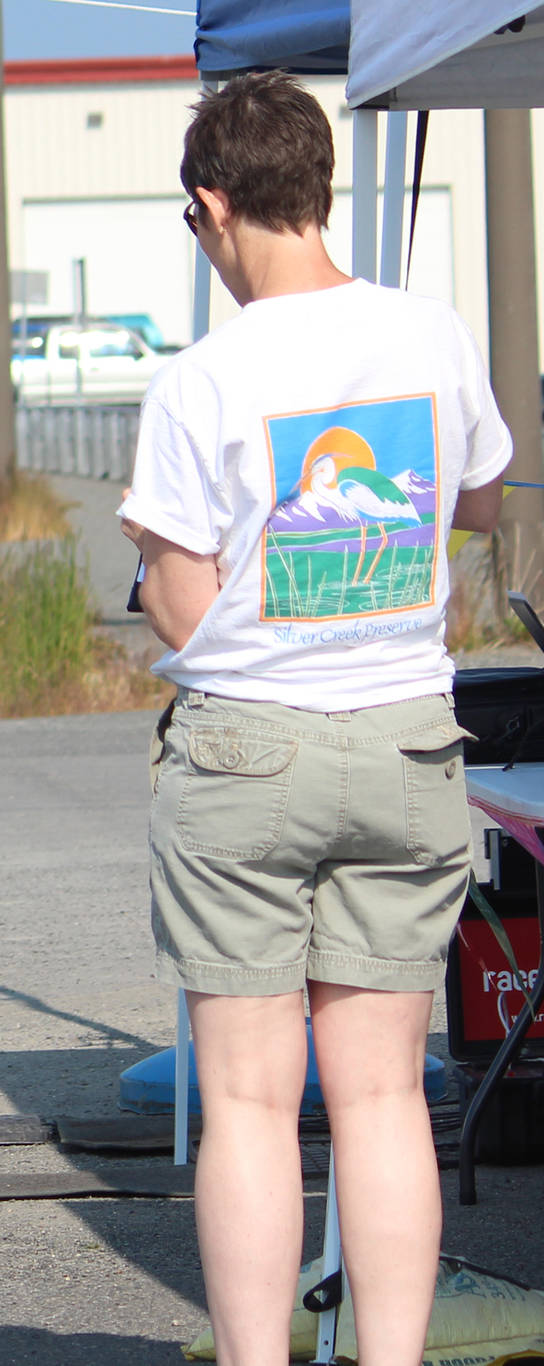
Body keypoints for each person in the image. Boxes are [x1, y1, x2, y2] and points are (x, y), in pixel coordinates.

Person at [119, 72, 511, 1366]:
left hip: (249, 750)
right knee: (386, 1091)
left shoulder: (203, 379)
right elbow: (484, 505)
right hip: (405, 737)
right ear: (321, 191)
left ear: (214, 204)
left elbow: (179, 607)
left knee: (244, 1099)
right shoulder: (433, 335)